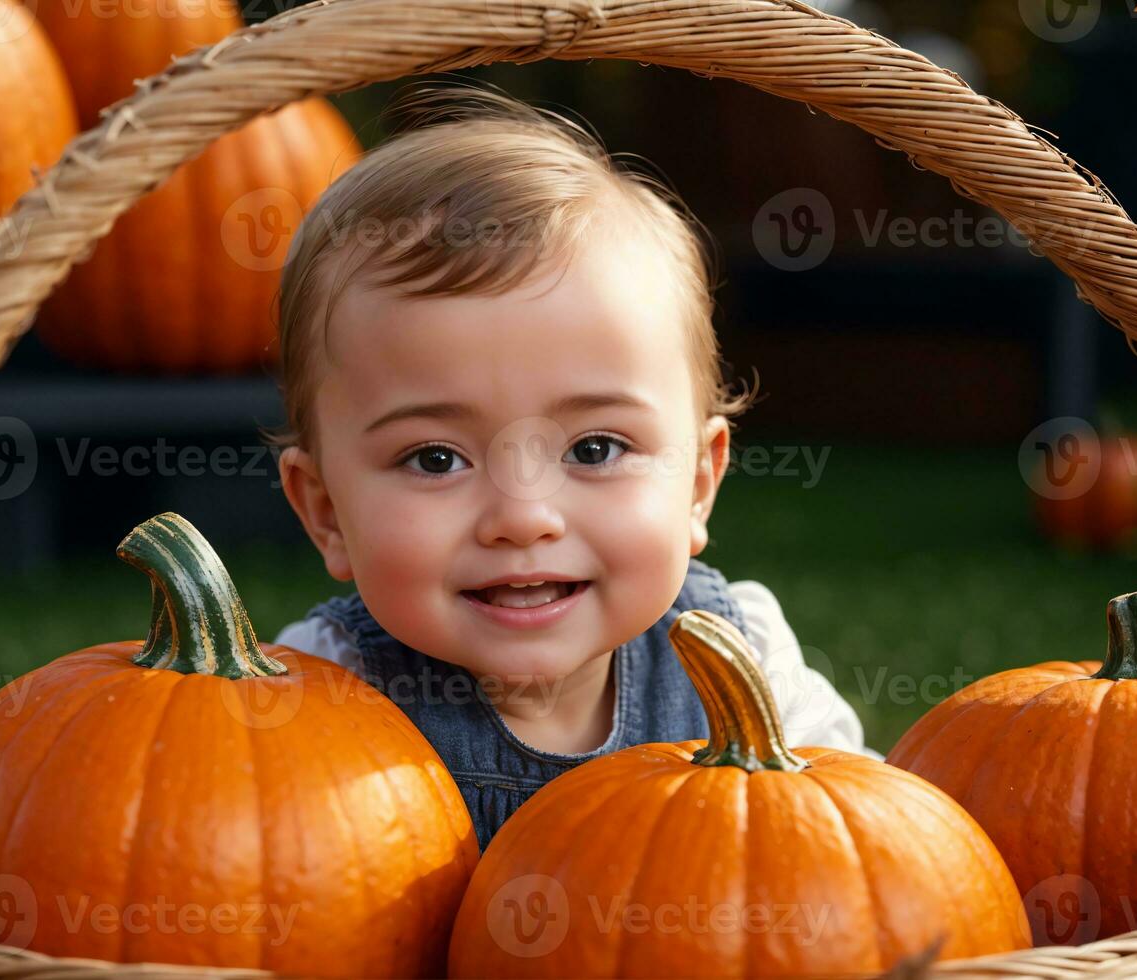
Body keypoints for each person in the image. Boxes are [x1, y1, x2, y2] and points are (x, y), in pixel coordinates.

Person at [264, 82, 878, 853]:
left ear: (697, 482)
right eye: (435, 458)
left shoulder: (745, 658)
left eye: (594, 449)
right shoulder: (320, 695)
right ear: (324, 511)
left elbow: (861, 850)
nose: (523, 517)